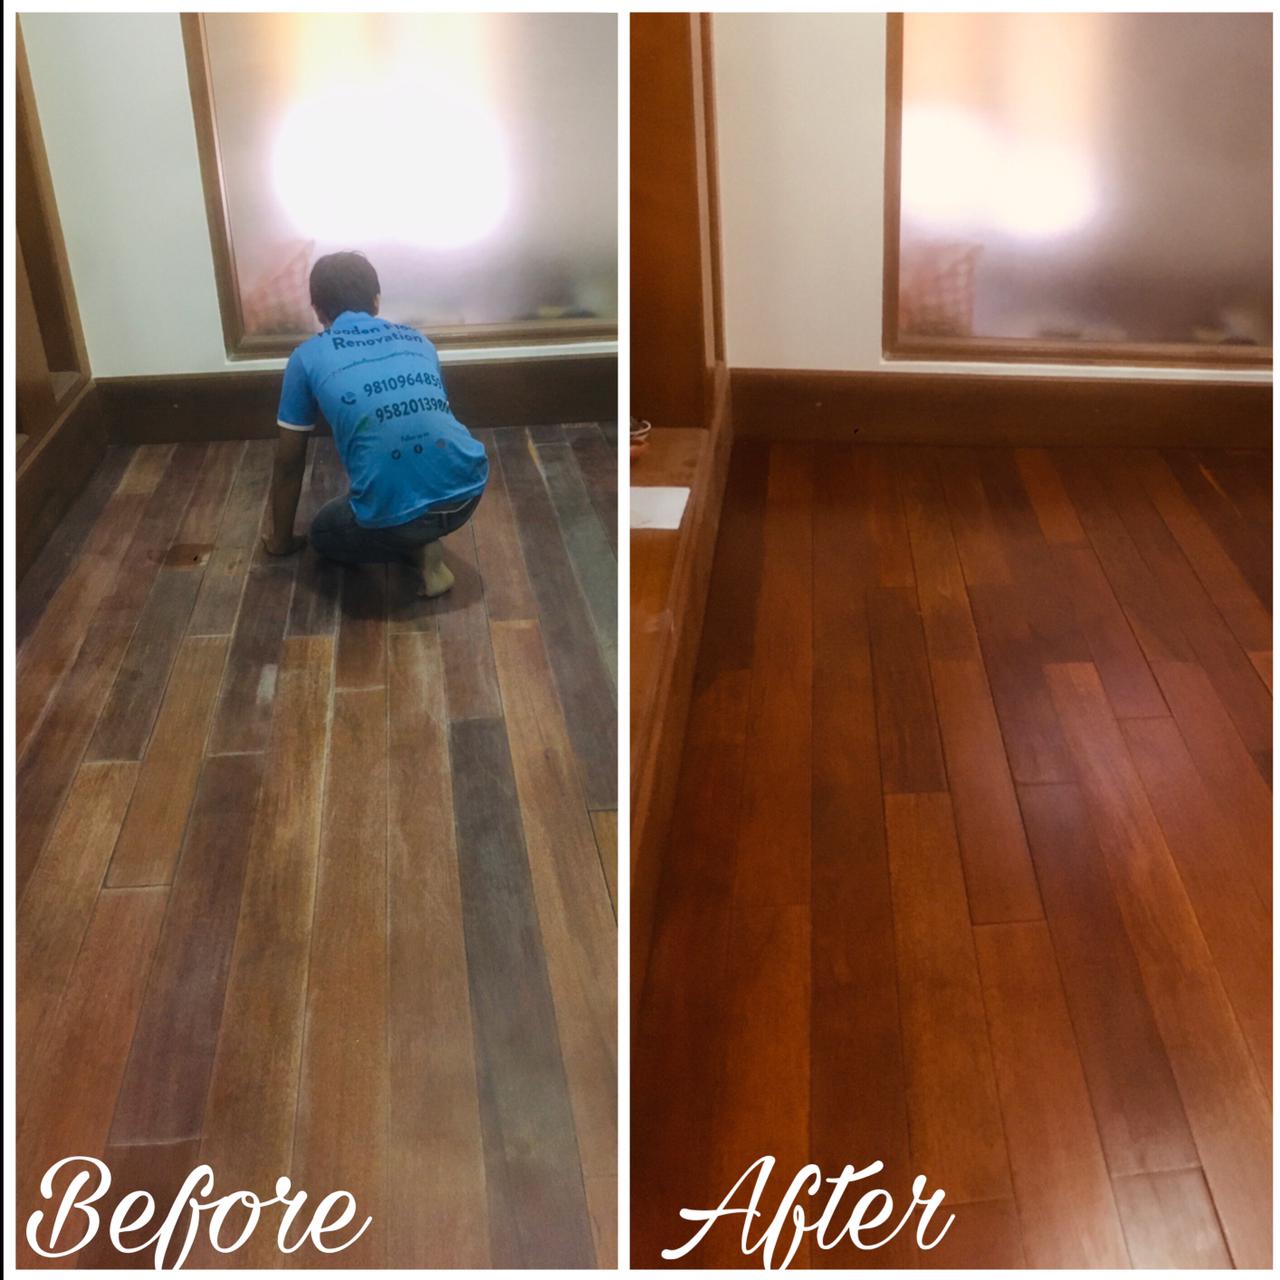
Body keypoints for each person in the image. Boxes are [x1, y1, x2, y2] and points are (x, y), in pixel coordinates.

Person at [262, 251, 488, 597]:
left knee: (323, 531)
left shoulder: (306, 356)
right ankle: (422, 538)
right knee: (408, 479)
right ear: (377, 301)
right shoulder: (419, 341)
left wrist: (280, 542)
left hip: (394, 520)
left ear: (318, 311)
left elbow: (289, 461)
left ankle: (418, 548)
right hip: (469, 491)